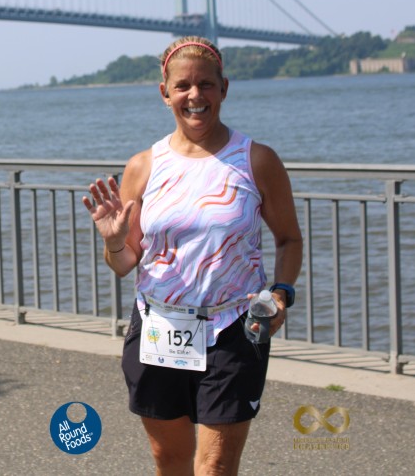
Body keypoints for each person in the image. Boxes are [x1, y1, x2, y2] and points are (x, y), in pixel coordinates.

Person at [82, 35, 303, 475]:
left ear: (224, 88)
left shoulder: (257, 160)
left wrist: (281, 292)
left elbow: (288, 240)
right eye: (182, 86)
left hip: (234, 327)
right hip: (159, 328)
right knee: (170, 459)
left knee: (216, 465)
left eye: (206, 84)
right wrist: (114, 241)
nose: (194, 95)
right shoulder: (143, 166)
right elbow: (124, 263)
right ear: (165, 94)